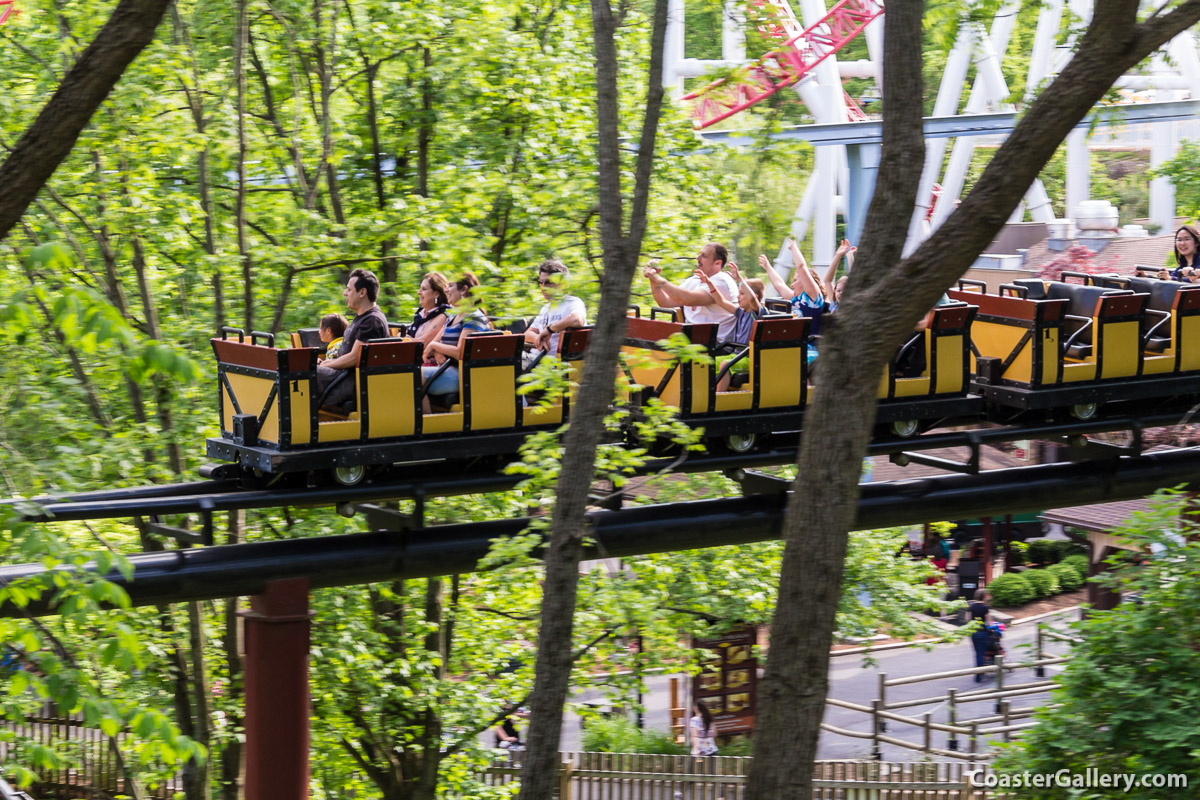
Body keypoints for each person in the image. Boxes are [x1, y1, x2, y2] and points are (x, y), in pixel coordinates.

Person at [316, 268, 389, 408]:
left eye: (349, 290)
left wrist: (326, 364)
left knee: (300, 374)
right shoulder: (361, 317)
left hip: (351, 382)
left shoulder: (372, 321)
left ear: (362, 292)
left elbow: (355, 357)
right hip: (342, 376)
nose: (345, 293)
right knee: (298, 368)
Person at [421, 273, 489, 411]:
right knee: (406, 372)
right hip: (447, 368)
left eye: (450, 286)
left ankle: (426, 423)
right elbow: (432, 345)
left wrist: (435, 347)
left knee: (414, 375)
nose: (445, 290)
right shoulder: (453, 316)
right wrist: (436, 349)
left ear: (464, 290)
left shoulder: (474, 318)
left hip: (464, 374)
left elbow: (461, 353)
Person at [643, 243, 738, 341]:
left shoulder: (721, 281)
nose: (698, 258)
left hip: (715, 342)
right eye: (699, 254)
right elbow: (665, 302)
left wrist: (657, 278)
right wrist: (652, 278)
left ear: (717, 263)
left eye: (704, 256)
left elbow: (686, 299)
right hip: (691, 338)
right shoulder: (694, 280)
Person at [696, 264, 765, 391]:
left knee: (725, 365)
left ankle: (719, 401)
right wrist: (709, 283)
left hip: (750, 358)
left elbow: (753, 300)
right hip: (737, 354)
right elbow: (721, 301)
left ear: (753, 296)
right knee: (704, 362)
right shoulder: (741, 312)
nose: (738, 297)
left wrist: (740, 279)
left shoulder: (758, 313)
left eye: (742, 293)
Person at [525, 259, 587, 363]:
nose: (543, 287)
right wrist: (539, 338)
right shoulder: (545, 309)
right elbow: (528, 333)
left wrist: (549, 330)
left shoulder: (572, 302)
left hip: (553, 364)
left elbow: (577, 319)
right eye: (541, 282)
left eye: (548, 282)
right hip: (534, 359)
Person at [408, 272, 451, 364]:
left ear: (436, 294)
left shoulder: (443, 315)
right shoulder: (421, 314)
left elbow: (421, 344)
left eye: (423, 289)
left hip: (428, 364)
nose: (418, 292)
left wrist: (404, 339)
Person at [822, 239, 855, 314]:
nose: (841, 293)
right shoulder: (835, 305)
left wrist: (850, 257)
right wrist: (838, 255)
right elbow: (827, 281)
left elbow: (855, 281)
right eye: (839, 291)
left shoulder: (853, 306)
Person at [969, 589, 991, 683]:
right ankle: (979, 675)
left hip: (973, 632)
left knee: (977, 653)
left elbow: (967, 619)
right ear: (984, 596)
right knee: (981, 654)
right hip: (982, 632)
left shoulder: (971, 607)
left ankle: (979, 672)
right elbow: (989, 622)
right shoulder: (985, 608)